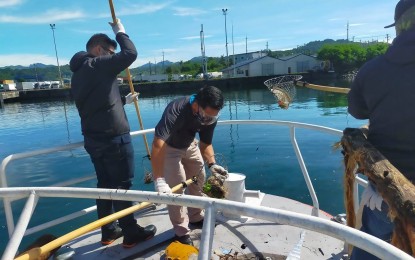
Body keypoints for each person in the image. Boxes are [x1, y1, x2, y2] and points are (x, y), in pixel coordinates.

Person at [70, 19, 156, 248]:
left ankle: (108, 231)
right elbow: (130, 53)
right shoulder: (97, 64)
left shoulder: (78, 73)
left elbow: (97, 104)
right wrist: (120, 33)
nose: (111, 56)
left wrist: (123, 102)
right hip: (114, 139)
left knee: (105, 184)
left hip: (94, 139)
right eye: (109, 52)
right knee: (122, 186)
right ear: (98, 50)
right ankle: (130, 232)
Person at [348, 0, 415, 258]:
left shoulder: (372, 70)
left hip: (385, 191)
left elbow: (357, 111)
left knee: (370, 246)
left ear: (398, 28)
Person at [151, 86, 228, 245]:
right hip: (169, 147)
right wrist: (159, 180)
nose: (209, 119)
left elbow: (206, 143)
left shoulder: (210, 116)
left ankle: (196, 216)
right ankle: (180, 230)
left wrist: (212, 164)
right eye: (207, 115)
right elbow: (158, 144)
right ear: (197, 105)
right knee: (177, 187)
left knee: (199, 178)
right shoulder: (176, 110)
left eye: (212, 117)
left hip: (190, 144)